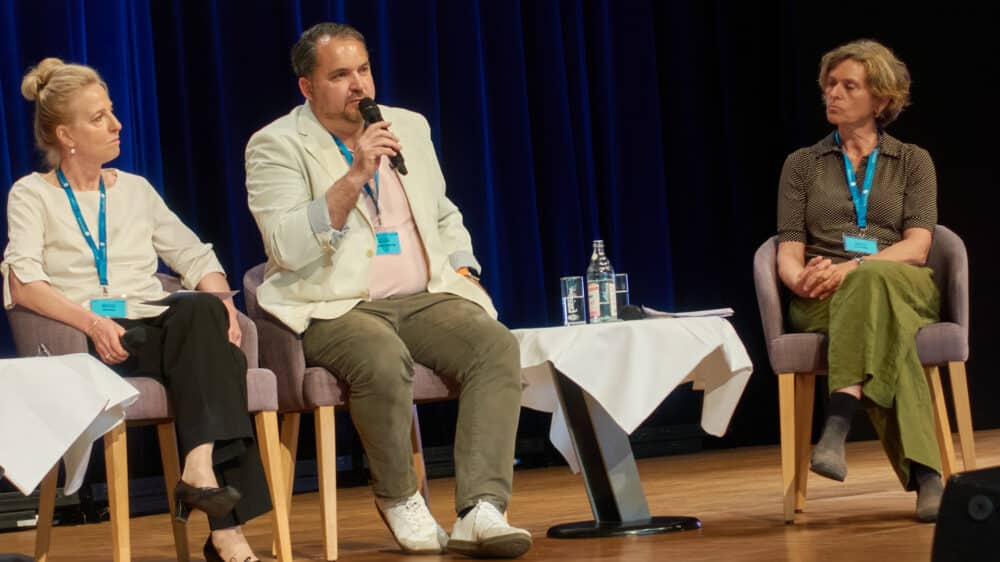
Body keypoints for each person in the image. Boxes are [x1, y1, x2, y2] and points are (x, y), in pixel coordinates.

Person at [245, 22, 531, 558]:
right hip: (335, 303)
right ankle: (400, 497)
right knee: (381, 358)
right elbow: (285, 246)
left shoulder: (409, 127)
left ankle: (482, 509)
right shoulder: (276, 144)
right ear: (307, 88)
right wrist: (355, 174)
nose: (359, 86)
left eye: (364, 70)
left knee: (496, 345)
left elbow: (443, 213)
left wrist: (464, 268)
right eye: (340, 75)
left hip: (424, 296)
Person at [3, 58, 269, 562]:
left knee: (204, 310)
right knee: (217, 349)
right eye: (99, 116)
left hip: (155, 325)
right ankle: (223, 531)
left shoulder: (136, 190)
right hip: (91, 337)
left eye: (113, 112)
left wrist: (224, 305)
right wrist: (91, 321)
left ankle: (200, 472)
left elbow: (194, 257)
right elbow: (24, 283)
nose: (116, 124)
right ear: (67, 135)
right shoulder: (32, 194)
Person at [776, 39, 943, 522]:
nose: (834, 93)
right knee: (888, 328)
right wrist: (798, 281)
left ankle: (839, 417)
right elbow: (789, 247)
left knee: (874, 282)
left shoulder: (913, 161)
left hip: (903, 282)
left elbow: (917, 247)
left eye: (850, 86)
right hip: (823, 294)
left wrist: (852, 268)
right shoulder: (802, 165)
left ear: (882, 100)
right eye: (830, 83)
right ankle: (928, 477)